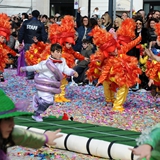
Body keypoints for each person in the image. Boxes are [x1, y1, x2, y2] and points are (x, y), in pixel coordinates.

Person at [20, 43, 78, 122]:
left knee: (49, 102)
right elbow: (34, 67)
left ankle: (37, 103)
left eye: (60, 52)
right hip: (43, 84)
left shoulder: (63, 61)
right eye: (57, 52)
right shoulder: (45, 63)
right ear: (52, 52)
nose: (59, 54)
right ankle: (37, 113)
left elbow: (66, 69)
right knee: (48, 101)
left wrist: (73, 72)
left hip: (52, 86)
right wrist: (24, 68)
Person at [0, 89, 62, 160]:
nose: (12, 124)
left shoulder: (8, 134)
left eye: (12, 118)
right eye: (6, 119)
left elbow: (24, 136)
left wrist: (46, 138)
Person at [18, 10, 47, 80]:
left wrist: (20, 41)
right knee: (36, 58)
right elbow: (43, 35)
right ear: (39, 16)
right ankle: (37, 73)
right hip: (36, 44)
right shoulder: (40, 24)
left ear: (31, 15)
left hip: (27, 42)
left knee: (28, 58)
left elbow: (21, 32)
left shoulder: (26, 22)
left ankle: (29, 74)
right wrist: (43, 42)